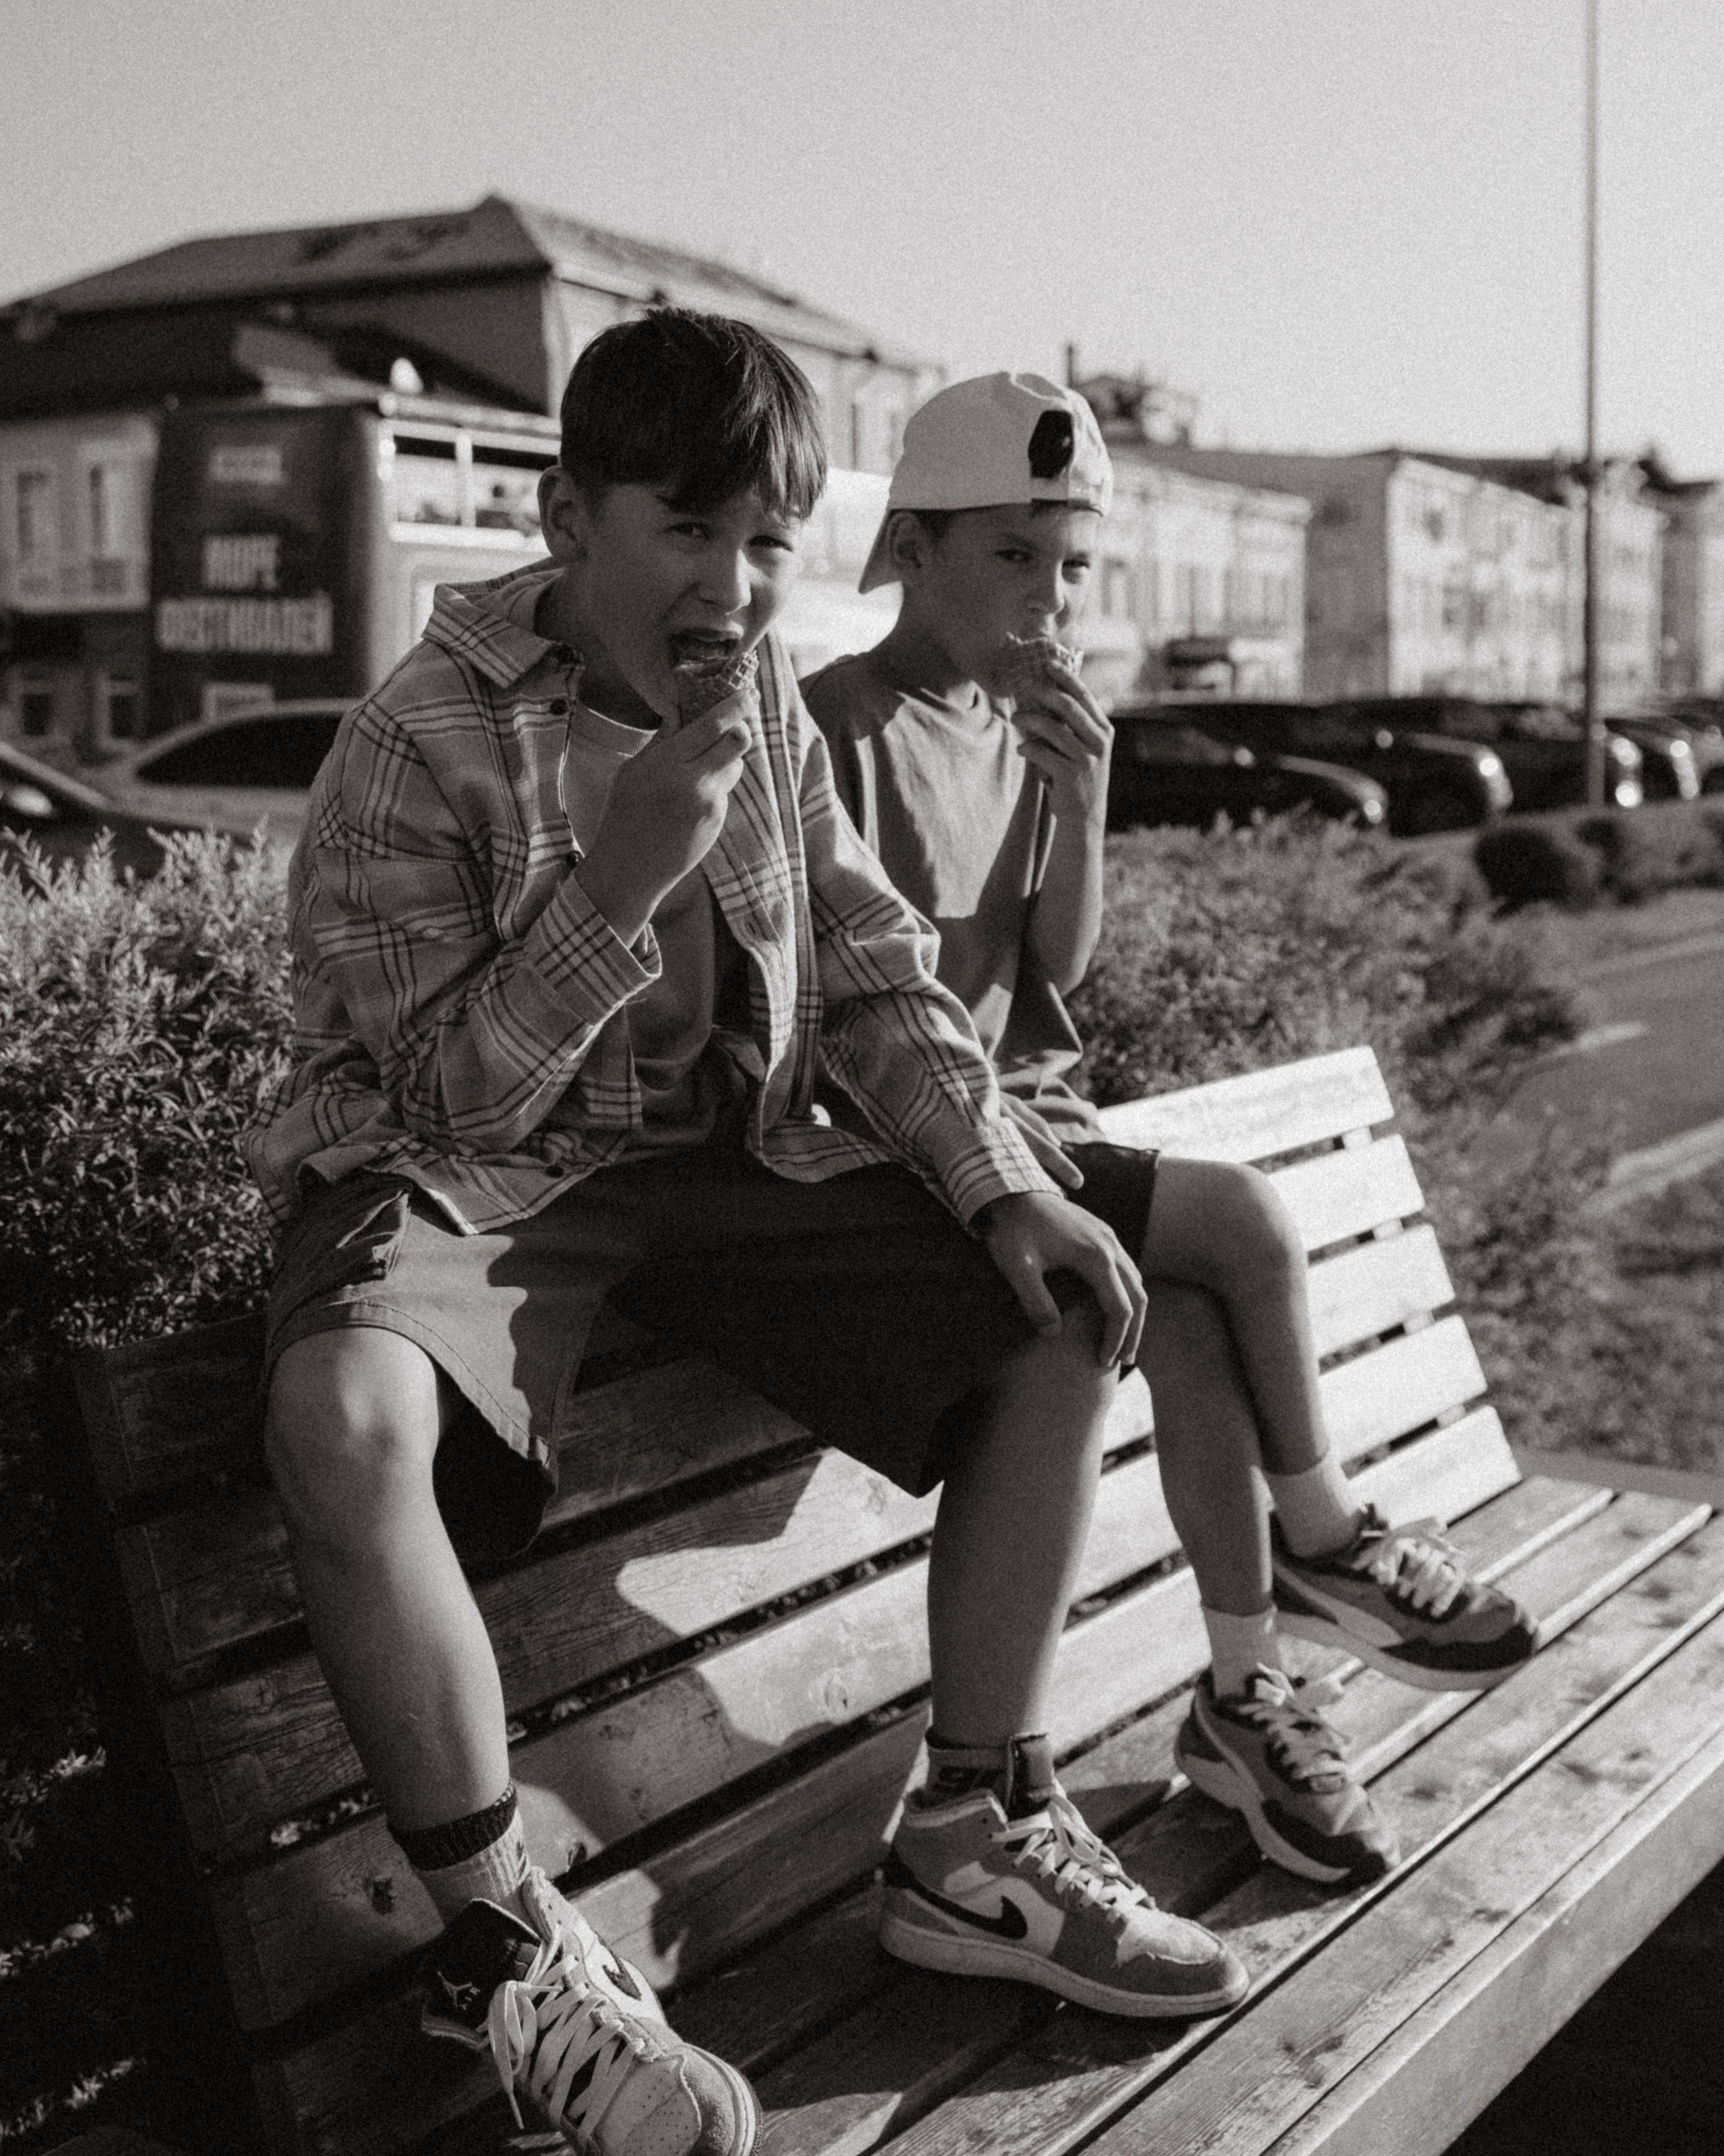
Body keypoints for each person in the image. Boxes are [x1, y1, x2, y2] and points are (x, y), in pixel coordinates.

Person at [248, 314, 1248, 2156]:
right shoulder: (420, 735)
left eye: (773, 539)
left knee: (1050, 1296)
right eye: (687, 531)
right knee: (342, 1418)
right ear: (568, 515)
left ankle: (965, 1833)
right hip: (475, 1168)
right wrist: (626, 868)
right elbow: (456, 1099)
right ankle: (511, 1961)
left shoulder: (764, 697)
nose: (734, 581)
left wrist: (1001, 1176)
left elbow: (870, 976)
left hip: (726, 1162)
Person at [803, 370, 1536, 1895]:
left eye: (1069, 565)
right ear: (913, 549)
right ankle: (1323, 1537)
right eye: (1009, 555)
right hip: (952, 1145)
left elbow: (1057, 968)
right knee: (1248, 1225)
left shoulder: (1030, 723)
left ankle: (1246, 1683)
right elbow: (875, 1002)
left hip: (1047, 1119)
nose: (1045, 596)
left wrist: (1085, 794)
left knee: (1194, 1300)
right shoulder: (838, 727)